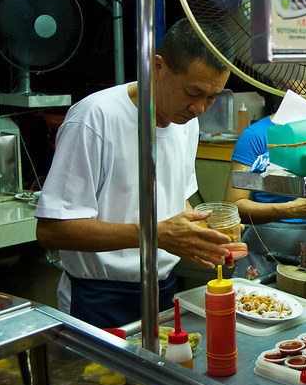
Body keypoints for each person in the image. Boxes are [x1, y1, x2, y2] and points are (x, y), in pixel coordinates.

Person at [35, 19, 233, 328]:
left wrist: (201, 238)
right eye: (193, 92)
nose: (200, 108)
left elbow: (175, 201)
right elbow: (52, 231)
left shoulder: (187, 123)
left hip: (165, 289)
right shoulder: (95, 118)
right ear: (158, 66)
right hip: (100, 296)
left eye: (212, 97)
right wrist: (154, 234)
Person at [223, 104, 306, 279]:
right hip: (266, 251)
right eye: (299, 76)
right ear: (276, 80)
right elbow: (234, 206)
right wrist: (292, 210)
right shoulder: (255, 135)